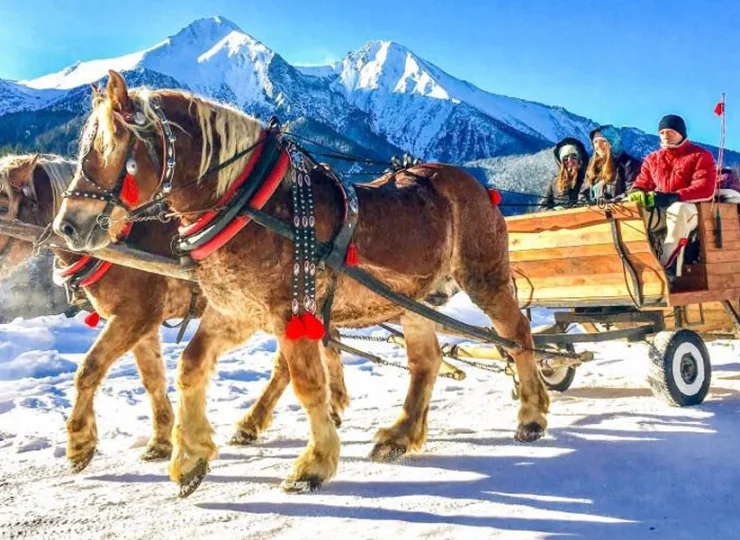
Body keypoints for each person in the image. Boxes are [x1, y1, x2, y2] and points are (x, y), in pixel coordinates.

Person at [628, 114, 717, 268]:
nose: (665, 136)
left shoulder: (700, 156)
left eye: (670, 132)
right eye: (662, 133)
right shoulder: (652, 159)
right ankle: (631, 262)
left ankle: (666, 265)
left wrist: (672, 197)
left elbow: (705, 189)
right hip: (661, 208)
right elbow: (642, 182)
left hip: (692, 209)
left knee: (678, 209)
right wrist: (636, 192)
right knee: (626, 210)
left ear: (681, 133)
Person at [579, 125, 642, 203]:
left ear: (613, 141)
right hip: (594, 214)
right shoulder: (592, 166)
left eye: (603, 141)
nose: (598, 145)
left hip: (622, 212)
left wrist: (609, 203)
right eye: (595, 142)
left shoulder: (628, 163)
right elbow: (582, 194)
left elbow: (632, 192)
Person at [541, 137, 588, 210]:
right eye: (565, 158)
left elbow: (588, 201)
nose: (570, 161)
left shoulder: (587, 178)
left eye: (574, 156)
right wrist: (554, 211)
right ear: (561, 162)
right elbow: (543, 206)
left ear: (579, 159)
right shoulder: (555, 182)